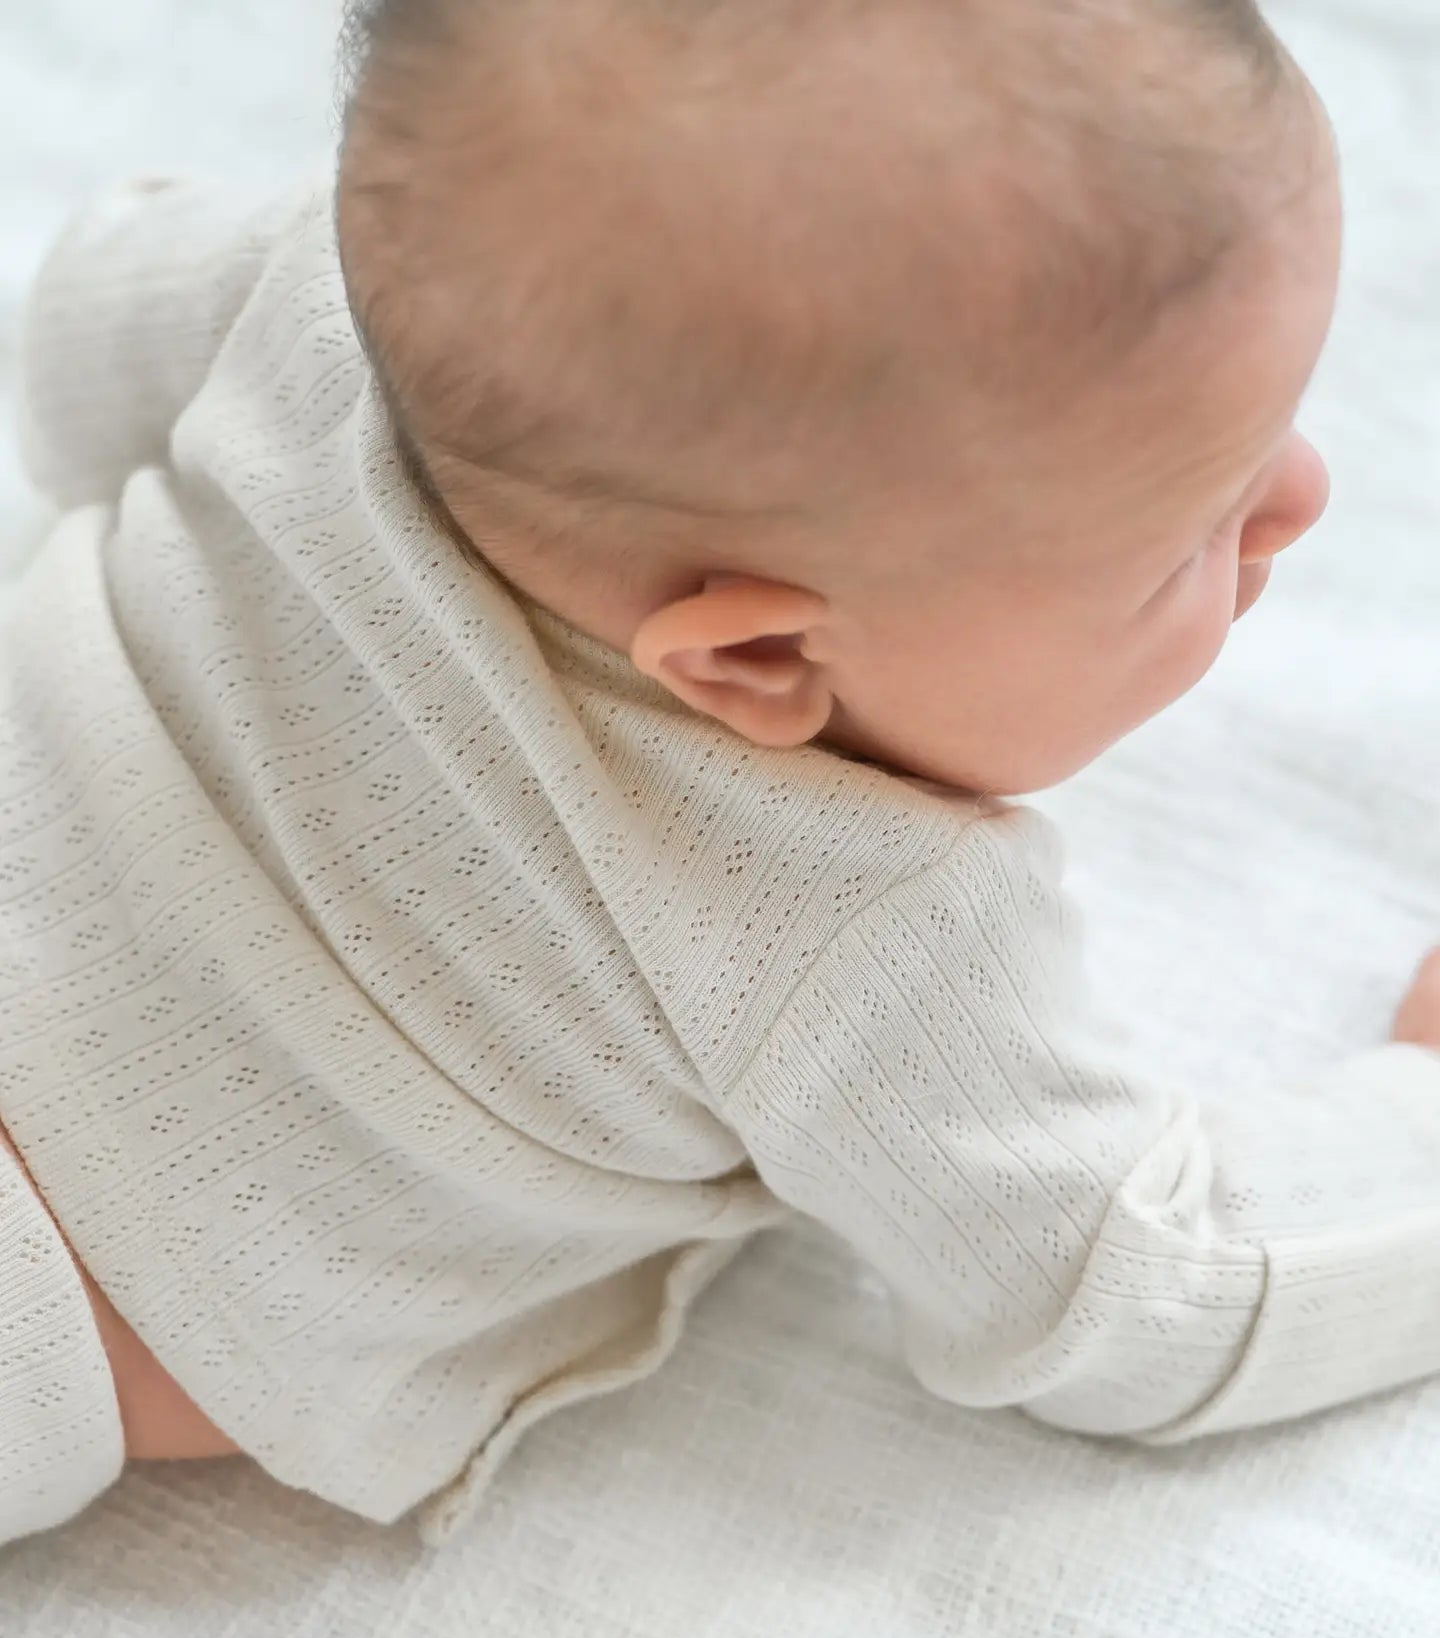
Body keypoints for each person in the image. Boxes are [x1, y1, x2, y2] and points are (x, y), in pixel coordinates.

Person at [2, 0, 1438, 1548]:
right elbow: (1133, 1289)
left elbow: (80, 328)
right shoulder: (844, 908)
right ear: (756, 661)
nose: (1306, 494)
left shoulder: (333, 306)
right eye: (1194, 535)